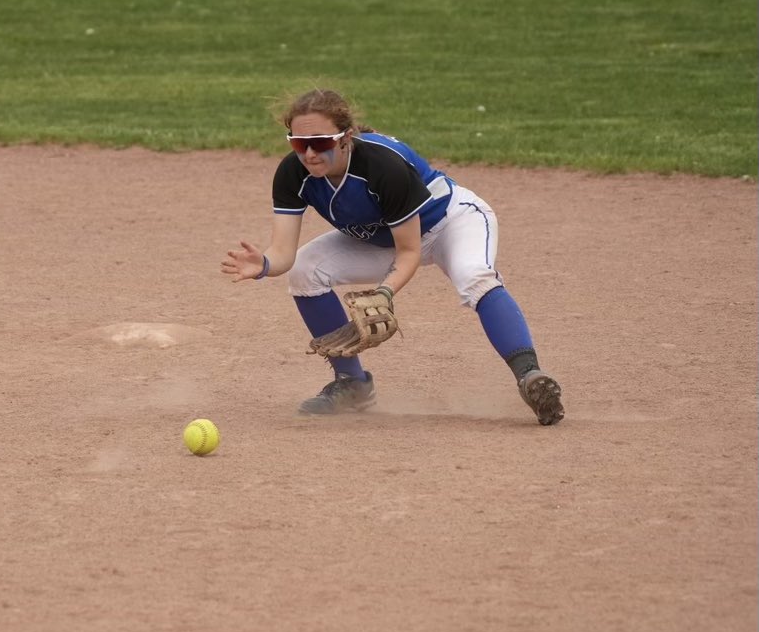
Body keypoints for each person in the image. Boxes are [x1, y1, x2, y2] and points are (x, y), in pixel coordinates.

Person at [220, 88, 564, 426]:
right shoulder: (294, 174)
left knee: (475, 277)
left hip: (450, 222)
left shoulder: (381, 166)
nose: (309, 153)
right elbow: (284, 253)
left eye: (321, 142)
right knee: (305, 270)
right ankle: (352, 384)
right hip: (379, 236)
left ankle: (530, 377)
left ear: (345, 138)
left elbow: (410, 252)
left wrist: (384, 292)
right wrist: (264, 265)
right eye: (298, 143)